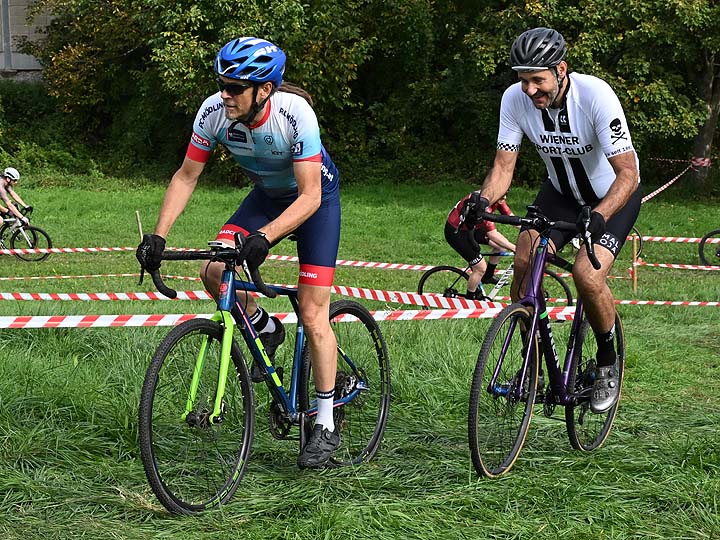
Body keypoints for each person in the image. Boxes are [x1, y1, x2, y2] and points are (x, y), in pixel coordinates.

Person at [136, 37, 342, 468]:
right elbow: (187, 175)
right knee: (214, 271)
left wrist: (265, 236)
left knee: (312, 312)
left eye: (234, 87)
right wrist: (158, 236)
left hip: (315, 202)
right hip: (266, 197)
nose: (225, 94)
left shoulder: (295, 114)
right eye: (222, 85)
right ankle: (266, 328)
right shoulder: (213, 112)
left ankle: (325, 422)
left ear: (264, 90)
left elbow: (308, 196)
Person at [470, 27, 641, 414]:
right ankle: (531, 361)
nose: (529, 89)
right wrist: (481, 200)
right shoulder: (514, 100)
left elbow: (627, 174)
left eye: (537, 80)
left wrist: (600, 216)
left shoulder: (595, 96)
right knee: (524, 259)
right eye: (523, 79)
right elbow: (503, 168)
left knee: (587, 276)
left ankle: (607, 360)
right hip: (560, 194)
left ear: (561, 70)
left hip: (612, 195)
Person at [445, 193, 516, 299]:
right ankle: (470, 299)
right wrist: (515, 248)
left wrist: (528, 227)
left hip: (471, 228)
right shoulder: (483, 205)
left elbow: (510, 217)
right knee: (480, 268)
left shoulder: (496, 196)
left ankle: (488, 276)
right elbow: (492, 234)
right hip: (456, 232)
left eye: (506, 193)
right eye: (502, 195)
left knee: (500, 247)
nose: (505, 197)